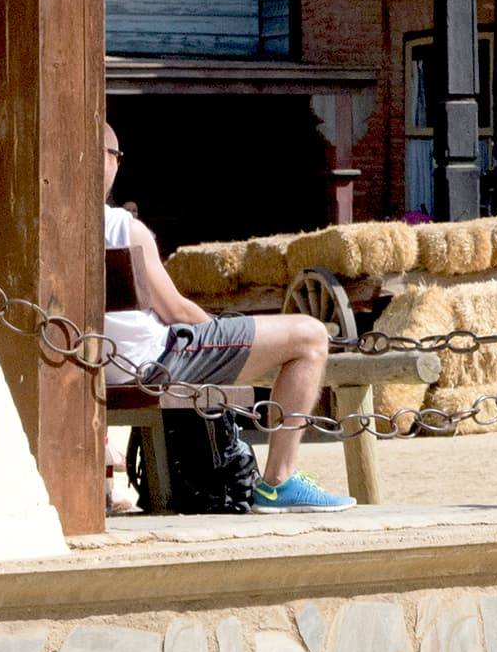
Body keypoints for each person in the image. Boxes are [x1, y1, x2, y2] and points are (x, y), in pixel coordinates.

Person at [99, 127, 351, 509]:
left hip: (103, 368)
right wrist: (221, 333)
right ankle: (278, 483)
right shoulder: (123, 228)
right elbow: (176, 311)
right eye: (117, 156)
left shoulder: (48, 227)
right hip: (156, 361)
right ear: (104, 157)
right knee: (311, 336)